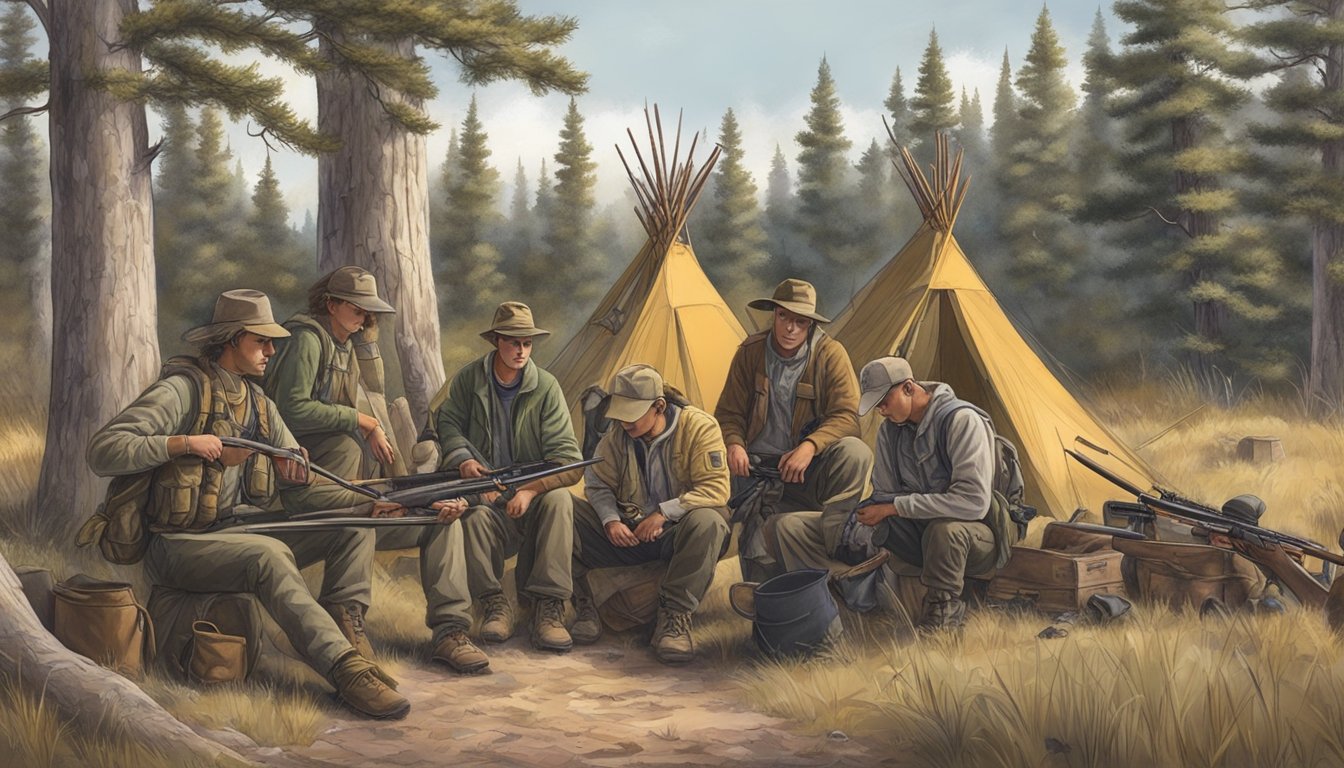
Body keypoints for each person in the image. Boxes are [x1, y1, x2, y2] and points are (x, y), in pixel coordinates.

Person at [87, 289, 428, 719]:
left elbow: (299, 483)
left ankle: (346, 627)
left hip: (235, 528)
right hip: (175, 544)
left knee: (346, 522)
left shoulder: (260, 403)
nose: (271, 350)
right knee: (268, 555)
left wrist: (312, 477)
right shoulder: (181, 391)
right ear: (231, 341)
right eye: (260, 341)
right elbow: (104, 449)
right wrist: (184, 444)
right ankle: (346, 672)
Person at [263, 266, 489, 674]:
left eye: (369, 312)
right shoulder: (305, 340)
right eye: (357, 308)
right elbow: (289, 408)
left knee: (439, 519)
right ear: (330, 304)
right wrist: (360, 422)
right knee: (361, 515)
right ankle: (345, 617)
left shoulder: (345, 344)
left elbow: (371, 392)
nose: (366, 318)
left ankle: (451, 630)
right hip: (302, 493)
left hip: (352, 490)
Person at [430, 302, 583, 652]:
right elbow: (447, 422)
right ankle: (493, 603)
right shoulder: (469, 379)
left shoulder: (546, 387)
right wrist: (465, 459)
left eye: (527, 343)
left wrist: (529, 490)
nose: (521, 351)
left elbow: (569, 461)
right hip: (485, 496)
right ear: (497, 341)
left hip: (533, 503)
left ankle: (549, 607)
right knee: (475, 516)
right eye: (514, 342)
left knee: (560, 500)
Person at [569, 365, 731, 664]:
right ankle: (583, 603)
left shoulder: (699, 427)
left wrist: (663, 514)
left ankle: (674, 618)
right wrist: (610, 520)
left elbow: (716, 489)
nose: (624, 421)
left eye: (633, 413)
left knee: (710, 520)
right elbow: (597, 484)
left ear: (659, 406)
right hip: (626, 534)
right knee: (562, 510)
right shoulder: (616, 438)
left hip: (674, 534)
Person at [714, 278, 872, 581]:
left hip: (807, 470)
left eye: (800, 321)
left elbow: (847, 417)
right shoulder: (750, 352)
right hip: (756, 471)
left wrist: (810, 446)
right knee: (754, 550)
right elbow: (728, 413)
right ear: (774, 314)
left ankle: (836, 536)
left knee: (855, 452)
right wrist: (734, 443)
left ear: (810, 324)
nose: (790, 328)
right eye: (784, 317)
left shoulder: (830, 354)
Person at [848, 356, 1000, 632]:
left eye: (884, 400)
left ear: (908, 388)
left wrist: (896, 508)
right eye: (876, 405)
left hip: (978, 537)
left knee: (945, 531)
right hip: (922, 536)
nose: (881, 411)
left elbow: (974, 503)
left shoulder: (962, 421)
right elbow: (884, 494)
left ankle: (943, 611)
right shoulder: (889, 433)